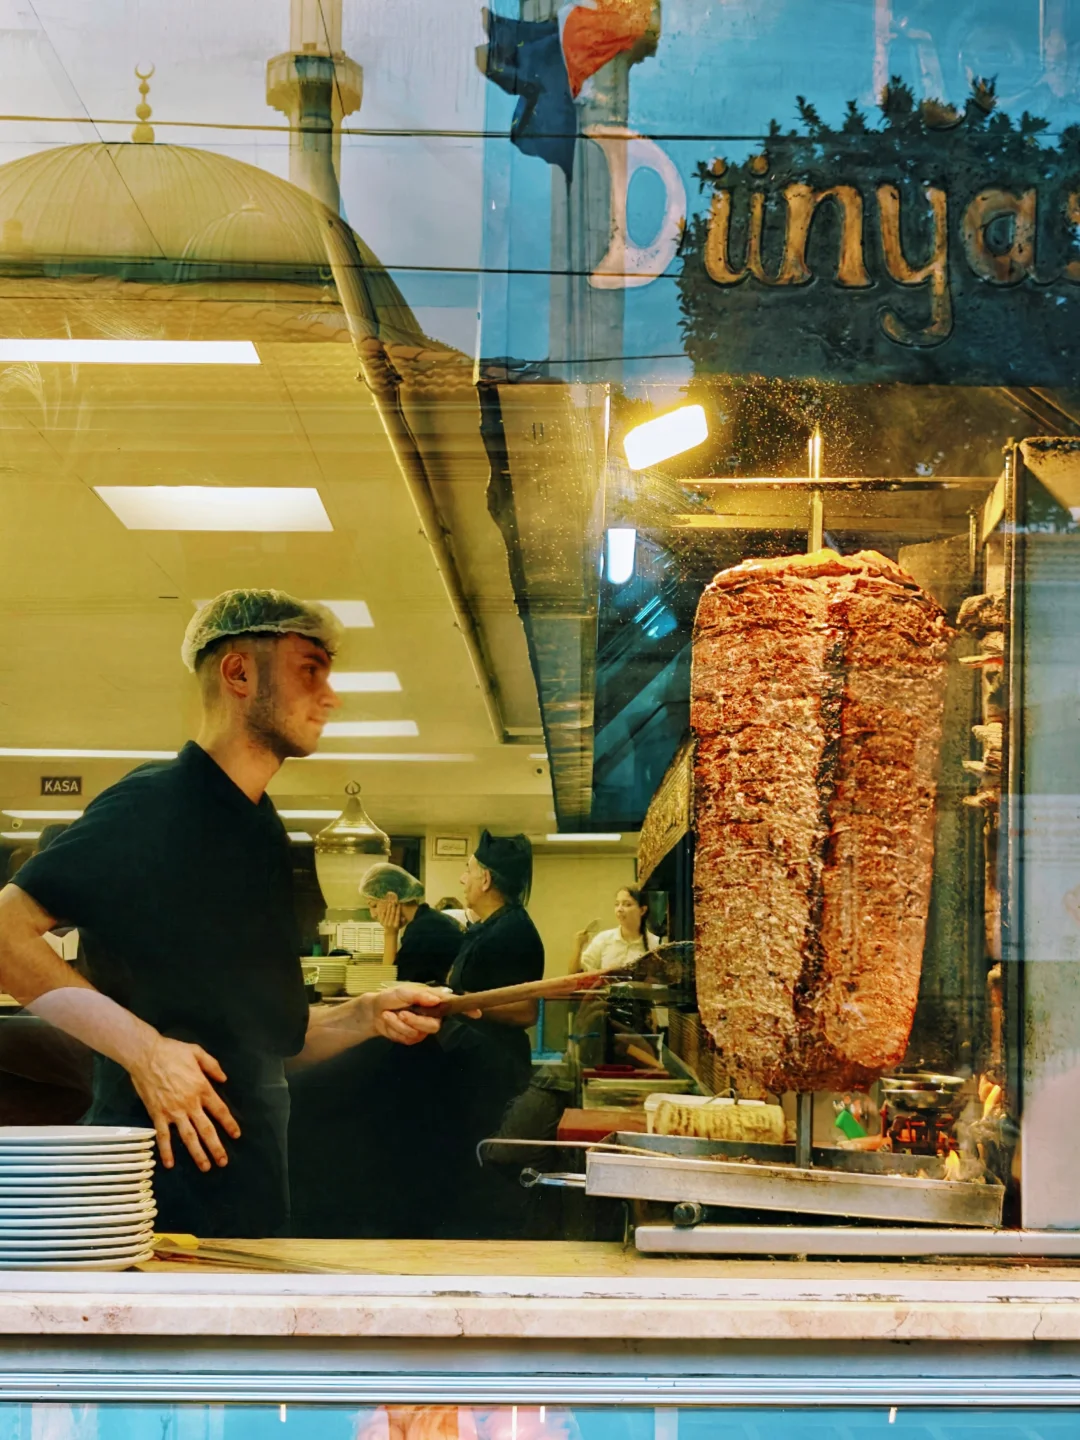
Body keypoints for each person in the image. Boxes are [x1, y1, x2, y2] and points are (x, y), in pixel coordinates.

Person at [0, 588, 446, 1238]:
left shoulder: (262, 829)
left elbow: (260, 1042)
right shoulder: (154, 805)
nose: (330, 696)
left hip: (248, 1186)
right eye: (309, 670)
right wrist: (146, 1053)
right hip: (154, 1191)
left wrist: (364, 1014)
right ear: (239, 672)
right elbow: (5, 933)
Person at [438, 831, 544, 1236]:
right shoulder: (489, 927)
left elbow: (525, 1010)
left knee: (486, 1173)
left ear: (485, 879)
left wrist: (460, 1003)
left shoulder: (513, 931)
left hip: (493, 1069)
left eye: (468, 870)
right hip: (472, 1067)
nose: (462, 879)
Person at [362, 863, 463, 985]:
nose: (373, 914)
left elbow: (391, 985)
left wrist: (390, 934)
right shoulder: (427, 919)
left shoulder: (422, 931)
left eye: (374, 905)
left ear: (391, 898)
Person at [569, 885, 658, 973]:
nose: (619, 909)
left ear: (642, 910)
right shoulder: (604, 939)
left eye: (627, 904)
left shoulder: (655, 943)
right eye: (617, 904)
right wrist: (578, 947)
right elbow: (574, 974)